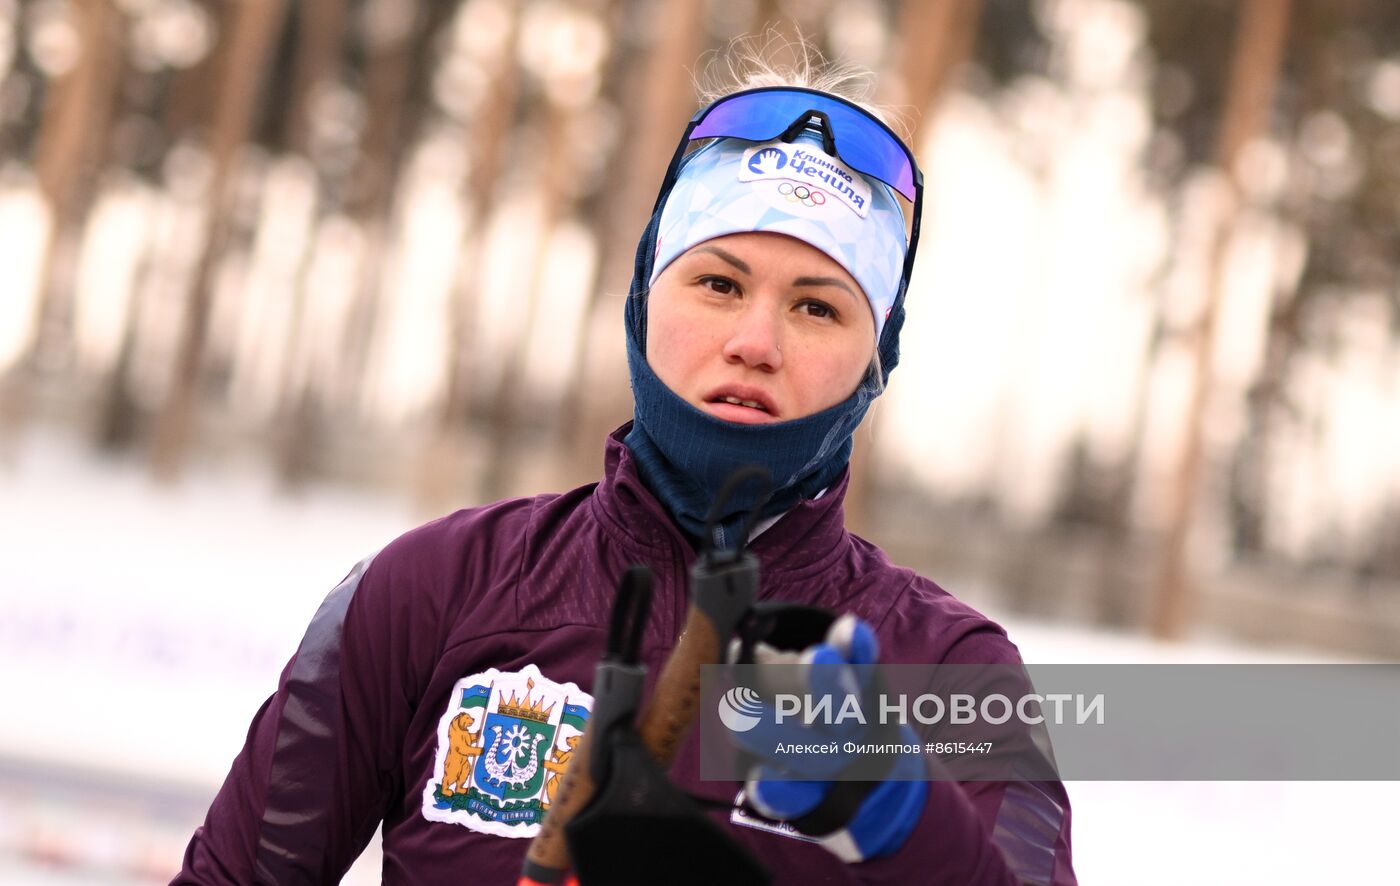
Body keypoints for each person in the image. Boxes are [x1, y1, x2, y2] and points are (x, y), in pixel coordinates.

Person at [174, 50, 1076, 886]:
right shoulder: (430, 591)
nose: (754, 342)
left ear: (879, 356)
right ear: (643, 297)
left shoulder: (951, 671)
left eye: (817, 307)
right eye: (718, 284)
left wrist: (910, 823)